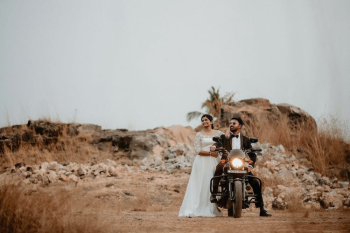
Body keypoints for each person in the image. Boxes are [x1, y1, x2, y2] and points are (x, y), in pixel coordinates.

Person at [210, 116, 272, 217]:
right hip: (227, 161)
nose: (231, 125)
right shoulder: (225, 137)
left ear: (240, 126)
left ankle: (262, 209)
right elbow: (218, 142)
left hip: (241, 164)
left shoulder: (246, 140)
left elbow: (252, 154)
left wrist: (251, 165)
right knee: (218, 168)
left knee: (255, 182)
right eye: (230, 123)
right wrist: (214, 146)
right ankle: (214, 194)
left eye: (234, 123)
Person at [178, 114, 223, 217]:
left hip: (214, 161)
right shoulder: (199, 134)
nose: (204, 122)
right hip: (202, 161)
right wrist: (211, 154)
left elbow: (227, 140)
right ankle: (198, 207)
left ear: (211, 122)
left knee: (211, 182)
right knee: (200, 183)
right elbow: (198, 150)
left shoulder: (219, 133)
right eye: (202, 120)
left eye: (206, 120)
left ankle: (211, 205)